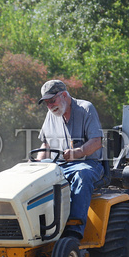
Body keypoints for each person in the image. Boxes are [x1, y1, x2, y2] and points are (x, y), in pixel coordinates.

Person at [37, 80, 104, 239]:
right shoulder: (51, 115)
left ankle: (74, 230)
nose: (50, 106)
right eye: (46, 103)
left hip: (87, 164)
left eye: (52, 100)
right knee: (35, 177)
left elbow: (96, 142)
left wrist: (77, 152)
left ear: (64, 95)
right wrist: (36, 164)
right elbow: (45, 144)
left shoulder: (86, 109)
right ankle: (39, 228)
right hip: (58, 166)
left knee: (82, 175)